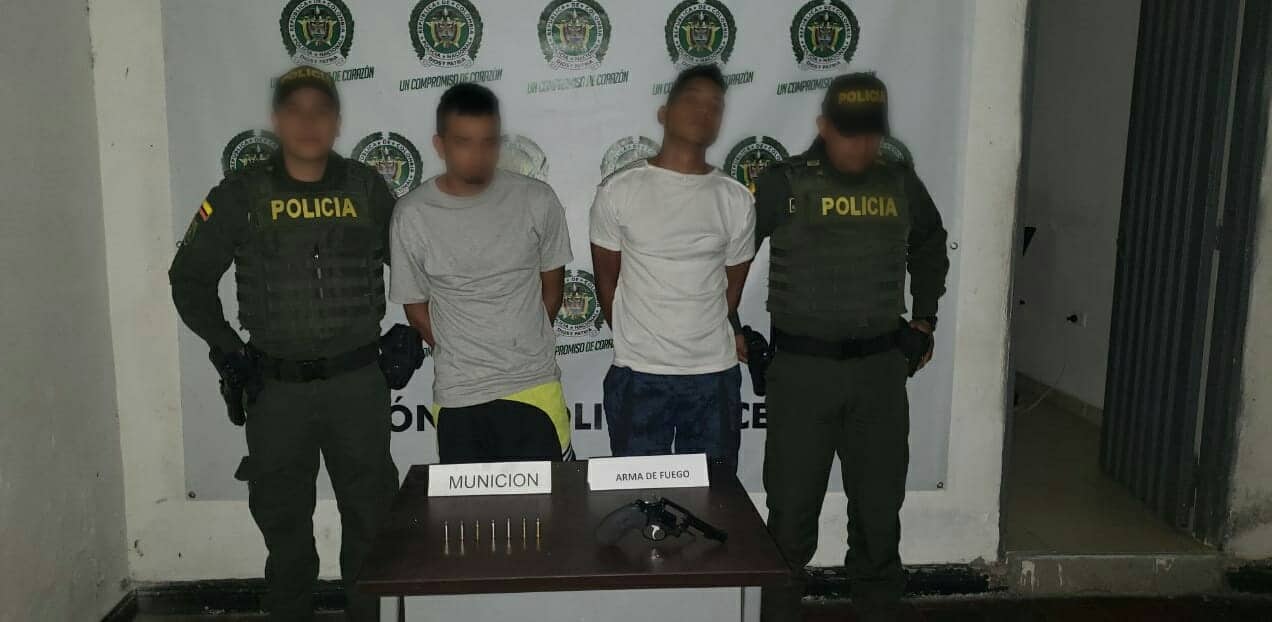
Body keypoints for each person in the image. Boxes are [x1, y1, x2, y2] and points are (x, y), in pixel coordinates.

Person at [168, 66, 401, 621]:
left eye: (321, 110)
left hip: (355, 385)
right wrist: (227, 349)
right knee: (284, 529)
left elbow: (420, 266)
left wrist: (412, 331)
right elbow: (189, 279)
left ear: (337, 121)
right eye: (294, 110)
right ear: (276, 120)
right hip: (276, 391)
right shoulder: (241, 194)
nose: (308, 122)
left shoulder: (367, 189)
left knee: (372, 524)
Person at [753, 73, 949, 622]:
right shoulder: (784, 183)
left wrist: (925, 319)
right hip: (803, 372)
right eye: (848, 132)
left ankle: (878, 608)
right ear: (823, 126)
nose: (860, 144)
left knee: (880, 515)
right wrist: (729, 325)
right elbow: (730, 251)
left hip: (879, 373)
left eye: (870, 133)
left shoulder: (900, 183)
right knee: (790, 517)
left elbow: (930, 244)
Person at [390, 83, 575, 464]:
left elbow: (552, 290)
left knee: (552, 501)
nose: (478, 155)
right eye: (464, 142)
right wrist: (463, 351)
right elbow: (415, 307)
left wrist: (522, 342)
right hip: (460, 393)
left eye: (488, 142)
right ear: (440, 145)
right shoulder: (412, 214)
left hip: (534, 384)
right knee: (469, 505)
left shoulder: (537, 200)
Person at [589, 64, 755, 474]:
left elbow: (731, 290)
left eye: (715, 105)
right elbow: (607, 284)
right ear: (664, 113)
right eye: (693, 100)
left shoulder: (735, 199)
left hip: (714, 376)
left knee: (714, 499)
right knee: (639, 499)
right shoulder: (619, 191)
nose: (704, 111)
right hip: (639, 376)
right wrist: (642, 343)